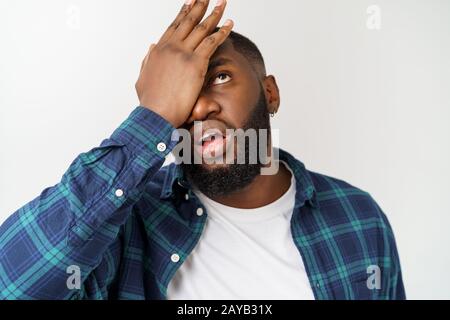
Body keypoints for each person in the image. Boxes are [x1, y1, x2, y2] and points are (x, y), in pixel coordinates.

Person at [0, 0, 405, 300]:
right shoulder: (124, 225)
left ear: (270, 93)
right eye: (182, 91)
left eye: (220, 77)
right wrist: (152, 115)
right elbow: (12, 284)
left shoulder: (359, 218)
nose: (198, 107)